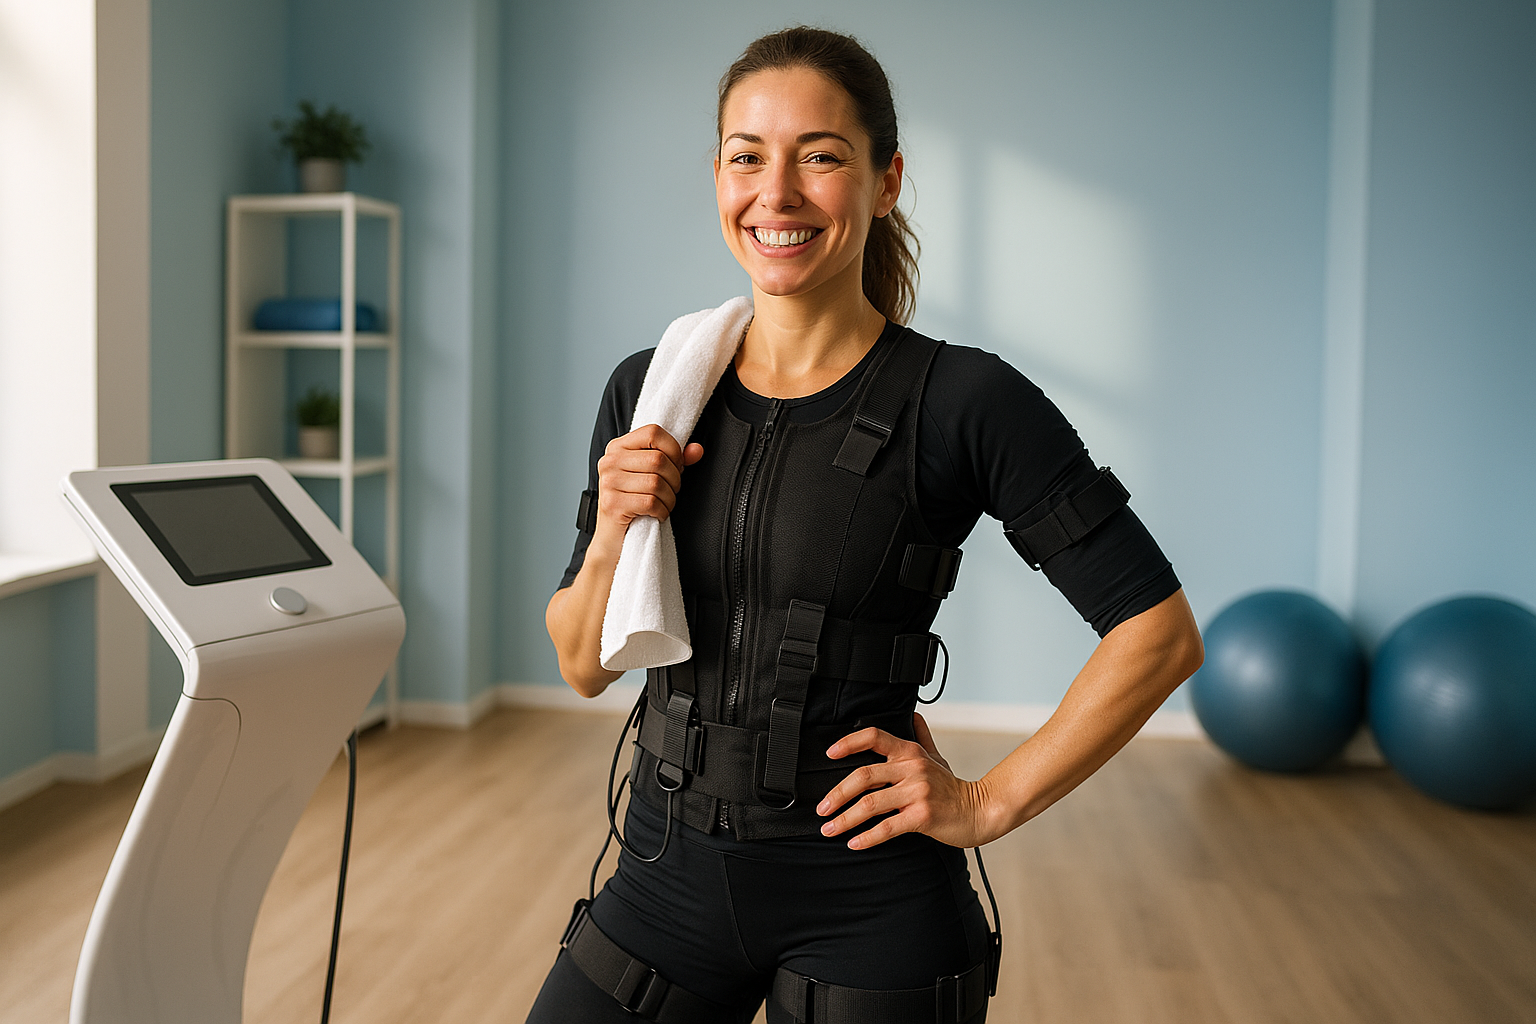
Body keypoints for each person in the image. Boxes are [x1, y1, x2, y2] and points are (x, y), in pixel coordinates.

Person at [529, 25, 1203, 1024]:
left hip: (865, 894)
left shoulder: (965, 399)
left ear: (886, 181)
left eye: (822, 156)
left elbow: (1159, 632)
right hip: (665, 868)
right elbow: (584, 666)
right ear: (717, 176)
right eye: (748, 157)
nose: (779, 193)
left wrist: (986, 801)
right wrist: (612, 530)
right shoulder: (653, 389)